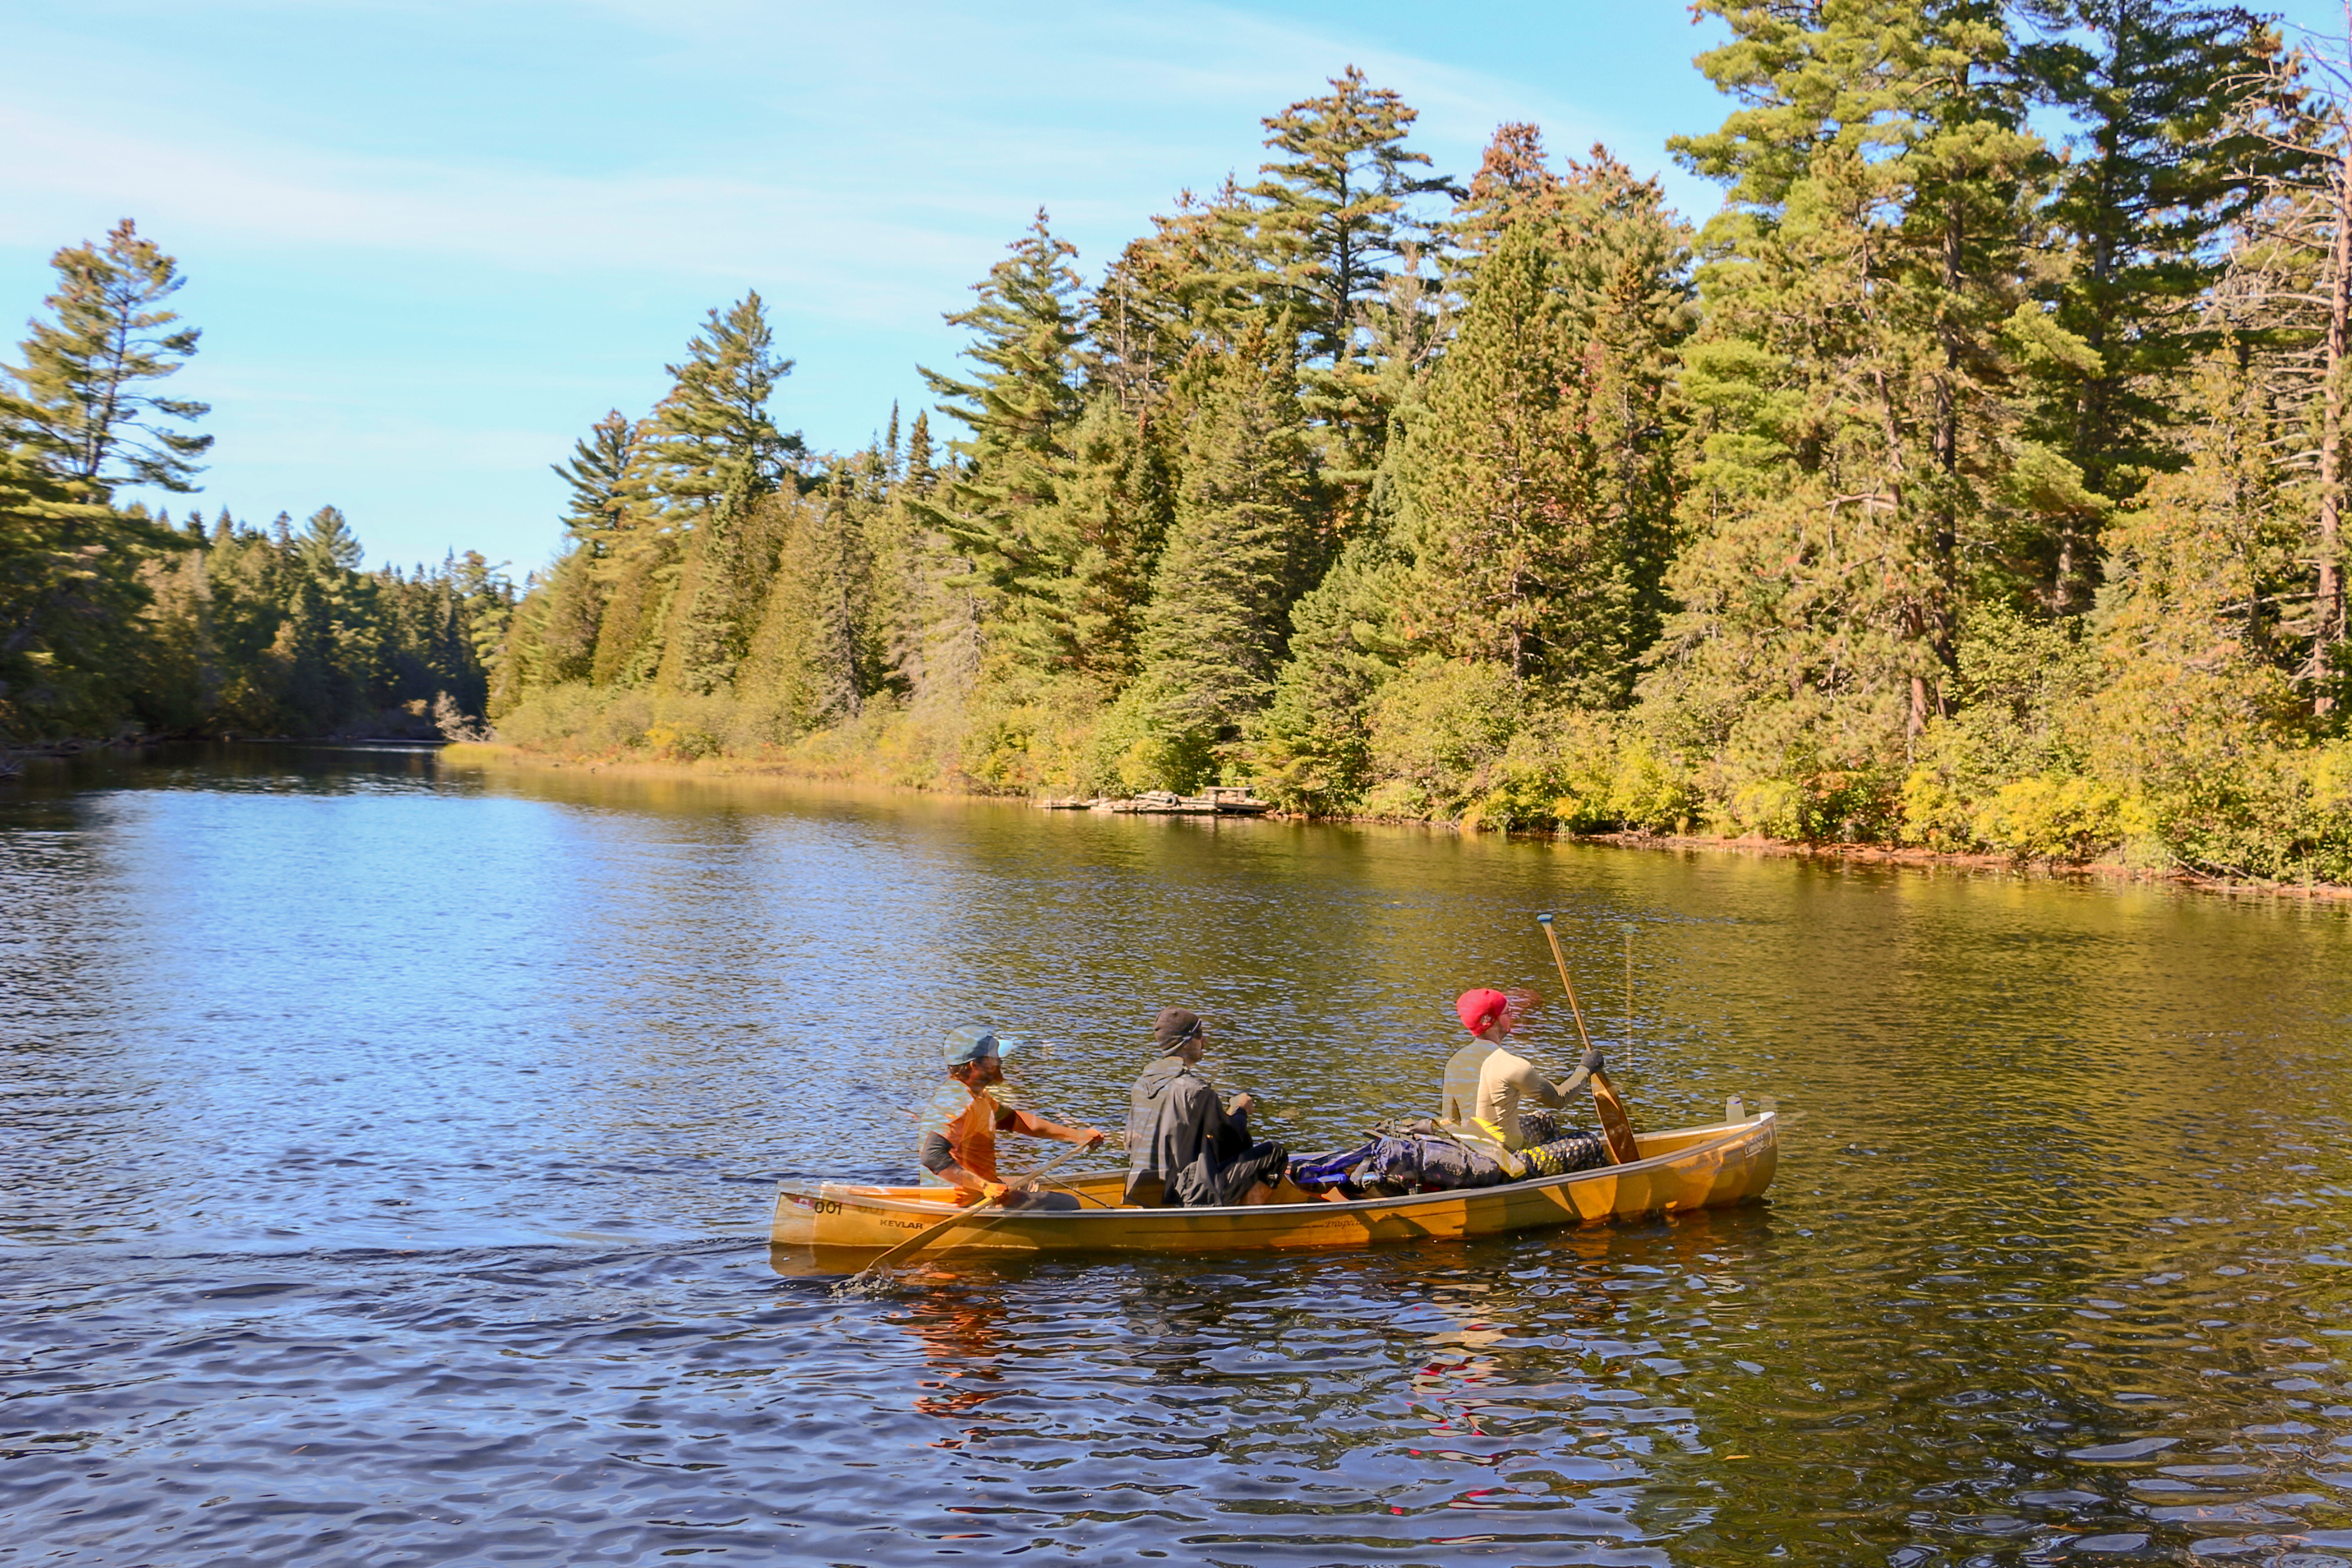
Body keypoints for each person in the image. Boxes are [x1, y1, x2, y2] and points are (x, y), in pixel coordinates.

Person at [917, 1026, 1104, 1210]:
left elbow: (1015, 1121)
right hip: (965, 1202)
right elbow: (932, 1157)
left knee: (1039, 1189)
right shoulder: (957, 1103)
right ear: (975, 1065)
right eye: (995, 1058)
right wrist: (985, 1186)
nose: (1000, 1063)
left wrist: (1077, 1135)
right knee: (1068, 1204)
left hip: (982, 1192)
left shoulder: (979, 1097)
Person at [1124, 1007, 1287, 1207]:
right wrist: (1240, 1110)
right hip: (1190, 1194)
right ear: (1185, 1042)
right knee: (1274, 1152)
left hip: (1147, 1190)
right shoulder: (1195, 1089)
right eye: (1199, 1035)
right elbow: (1231, 1142)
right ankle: (1244, 1223)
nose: (1205, 1041)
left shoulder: (1141, 1084)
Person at [1442, 987, 1610, 1178]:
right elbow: (1560, 1099)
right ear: (1494, 1021)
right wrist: (1586, 1068)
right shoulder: (1511, 1065)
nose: (1512, 1017)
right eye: (1508, 1013)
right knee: (1589, 1143)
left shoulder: (1454, 1062)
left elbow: (1450, 1122)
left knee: (1542, 1120)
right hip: (1506, 1165)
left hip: (1474, 1156)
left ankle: (1551, 1182)